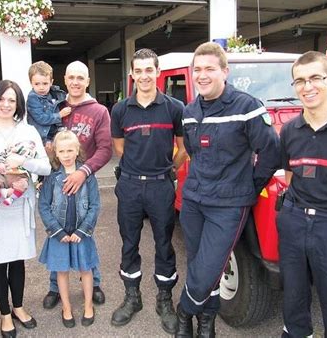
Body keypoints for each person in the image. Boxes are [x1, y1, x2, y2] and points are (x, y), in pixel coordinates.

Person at [176, 42, 280, 338]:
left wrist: (249, 186)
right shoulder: (190, 111)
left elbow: (271, 152)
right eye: (197, 70)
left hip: (228, 205)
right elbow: (193, 151)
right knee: (198, 264)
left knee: (209, 268)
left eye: (210, 68)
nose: (202, 75)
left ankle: (184, 311)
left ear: (225, 71)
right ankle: (206, 322)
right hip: (194, 201)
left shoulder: (247, 107)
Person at [277, 51, 327, 338]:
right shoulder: (289, 131)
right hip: (295, 223)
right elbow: (290, 177)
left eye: (315, 78)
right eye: (299, 81)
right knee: (293, 300)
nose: (307, 87)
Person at [110, 48, 187, 334]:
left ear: (157, 73)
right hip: (129, 185)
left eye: (149, 70)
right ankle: (133, 297)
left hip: (160, 186)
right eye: (138, 71)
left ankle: (164, 299)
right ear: (132, 74)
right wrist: (138, 164)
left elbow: (184, 146)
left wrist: (168, 168)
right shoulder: (120, 110)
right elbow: (119, 148)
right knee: (129, 243)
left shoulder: (174, 108)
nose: (144, 76)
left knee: (164, 244)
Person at [0, 80, 51, 337]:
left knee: (17, 260)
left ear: (18, 105)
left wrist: (24, 161)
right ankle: (4, 314)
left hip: (20, 205)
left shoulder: (28, 131)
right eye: (2, 99)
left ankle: (18, 306)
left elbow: (46, 167)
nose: (6, 105)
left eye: (12, 100)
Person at [42, 60, 112, 309]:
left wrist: (83, 172)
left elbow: (105, 148)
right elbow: (39, 138)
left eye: (80, 77)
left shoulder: (99, 111)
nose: (75, 82)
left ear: (88, 81)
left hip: (83, 183)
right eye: (71, 77)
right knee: (56, 233)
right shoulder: (54, 108)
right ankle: (54, 287)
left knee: (85, 231)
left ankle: (94, 283)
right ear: (65, 78)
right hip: (57, 181)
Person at [39, 130, 100, 328]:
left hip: (82, 234)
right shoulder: (51, 178)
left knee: (86, 269)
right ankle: (66, 307)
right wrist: (56, 231)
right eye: (62, 151)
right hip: (59, 235)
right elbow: (44, 206)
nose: (66, 155)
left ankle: (88, 305)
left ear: (77, 151)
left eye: (70, 150)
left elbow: (94, 205)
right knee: (61, 271)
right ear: (56, 153)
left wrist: (83, 231)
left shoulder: (87, 176)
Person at [26, 60, 71, 149]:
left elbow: (67, 99)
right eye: (37, 84)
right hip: (42, 136)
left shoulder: (55, 93)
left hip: (56, 132)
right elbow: (41, 118)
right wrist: (60, 115)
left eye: (45, 83)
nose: (41, 87)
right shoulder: (33, 98)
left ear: (51, 82)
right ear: (31, 83)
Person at [0, 140, 38, 207]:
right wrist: (0, 163)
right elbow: (1, 156)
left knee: (22, 185)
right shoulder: (9, 149)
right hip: (6, 174)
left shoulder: (32, 152)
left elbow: (33, 159)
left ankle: (12, 198)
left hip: (20, 175)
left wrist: (18, 151)